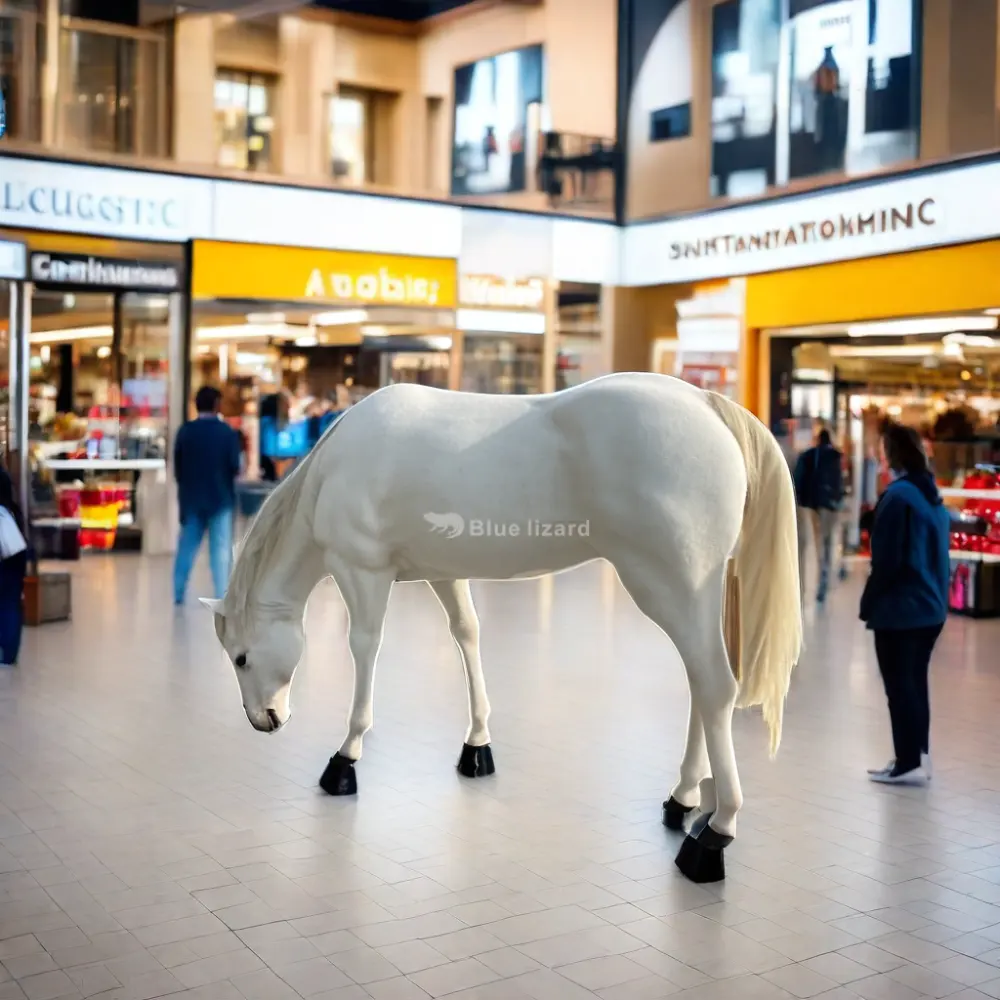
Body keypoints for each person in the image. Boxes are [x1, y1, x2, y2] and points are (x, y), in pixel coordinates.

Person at [860, 424, 950, 786]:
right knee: (914, 683)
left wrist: (869, 602)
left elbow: (887, 560)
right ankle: (916, 755)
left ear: (891, 454)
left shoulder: (897, 497)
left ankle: (907, 761)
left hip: (902, 609)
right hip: (930, 607)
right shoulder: (929, 493)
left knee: (899, 687)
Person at [173, 386, 242, 605]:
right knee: (220, 551)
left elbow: (178, 468)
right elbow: (235, 466)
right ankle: (223, 594)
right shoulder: (227, 433)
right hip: (220, 498)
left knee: (187, 548)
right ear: (217, 405)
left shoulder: (185, 431)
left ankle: (178, 593)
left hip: (192, 499)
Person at [793, 428, 845, 602]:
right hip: (832, 506)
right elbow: (842, 482)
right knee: (828, 542)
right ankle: (825, 578)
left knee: (814, 543)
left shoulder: (809, 455)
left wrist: (801, 500)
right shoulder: (837, 456)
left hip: (813, 505)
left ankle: (810, 584)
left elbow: (798, 478)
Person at [0, 467, 28, 665]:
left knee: (8, 604)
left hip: (5, 556)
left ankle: (7, 652)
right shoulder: (11, 510)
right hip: (15, 552)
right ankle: (9, 653)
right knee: (11, 603)